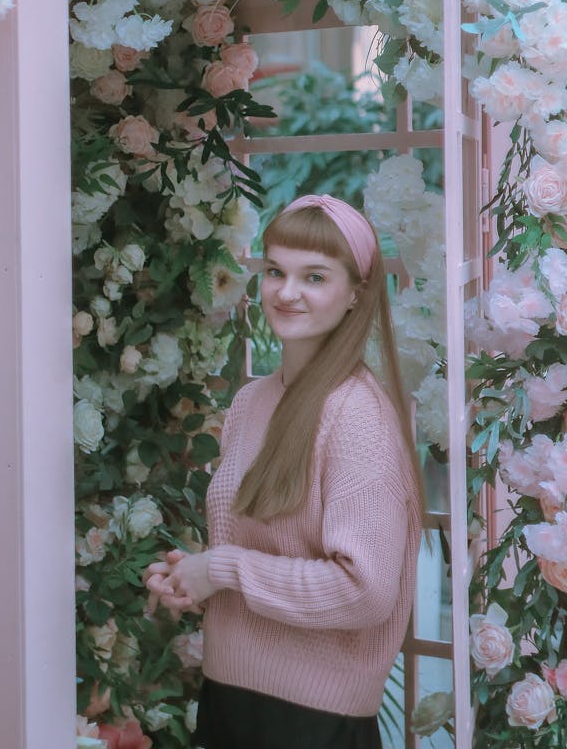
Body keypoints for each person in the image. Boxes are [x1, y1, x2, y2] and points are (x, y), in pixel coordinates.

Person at [144, 193, 424, 749]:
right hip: (229, 698)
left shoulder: (357, 413)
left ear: (355, 295)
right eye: (275, 271)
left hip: (310, 722)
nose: (286, 293)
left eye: (314, 276)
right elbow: (252, 545)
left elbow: (365, 591)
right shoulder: (251, 402)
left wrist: (222, 569)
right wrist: (190, 578)